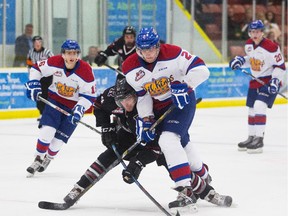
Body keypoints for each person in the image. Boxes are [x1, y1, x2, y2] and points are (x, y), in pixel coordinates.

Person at [62, 77, 232, 212]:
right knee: (108, 156)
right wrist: (106, 128)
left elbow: (156, 146)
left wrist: (138, 163)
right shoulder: (110, 96)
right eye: (121, 100)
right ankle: (78, 188)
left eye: (129, 99)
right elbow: (98, 106)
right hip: (128, 135)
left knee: (173, 162)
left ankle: (208, 192)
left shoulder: (149, 106)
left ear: (136, 94)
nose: (126, 104)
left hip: (154, 139)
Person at [122, 27, 231, 211]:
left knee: (168, 140)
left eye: (152, 49)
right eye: (143, 50)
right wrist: (147, 118)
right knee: (184, 144)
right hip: (159, 108)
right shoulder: (130, 67)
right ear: (137, 49)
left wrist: (185, 85)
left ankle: (185, 190)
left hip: (182, 103)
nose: (148, 54)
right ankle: (203, 174)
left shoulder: (174, 53)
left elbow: (202, 70)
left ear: (158, 45)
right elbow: (142, 96)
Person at [25, 39, 97, 177]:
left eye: (75, 53)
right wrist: (34, 82)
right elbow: (36, 68)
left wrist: (80, 108)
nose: (72, 56)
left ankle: (49, 158)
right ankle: (38, 157)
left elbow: (90, 96)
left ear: (78, 55)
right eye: (68, 53)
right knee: (47, 131)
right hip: (55, 101)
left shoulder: (86, 70)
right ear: (62, 54)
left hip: (73, 107)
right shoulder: (55, 61)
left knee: (57, 142)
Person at [229, 20, 286, 154]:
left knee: (260, 105)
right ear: (249, 32)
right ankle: (252, 137)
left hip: (268, 81)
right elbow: (252, 59)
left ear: (262, 32)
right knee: (251, 109)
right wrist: (241, 61)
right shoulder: (249, 44)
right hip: (255, 81)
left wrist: (275, 81)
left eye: (257, 31)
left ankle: (259, 139)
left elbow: (281, 66)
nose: (255, 34)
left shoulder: (271, 47)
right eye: (252, 32)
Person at [26, 36, 54, 119]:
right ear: (33, 44)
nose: (38, 44)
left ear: (41, 43)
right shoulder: (30, 53)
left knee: (46, 94)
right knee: (38, 94)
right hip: (37, 77)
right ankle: (42, 113)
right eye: (36, 43)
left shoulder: (47, 52)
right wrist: (31, 77)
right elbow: (29, 65)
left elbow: (54, 63)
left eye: (39, 42)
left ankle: (48, 112)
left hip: (47, 77)